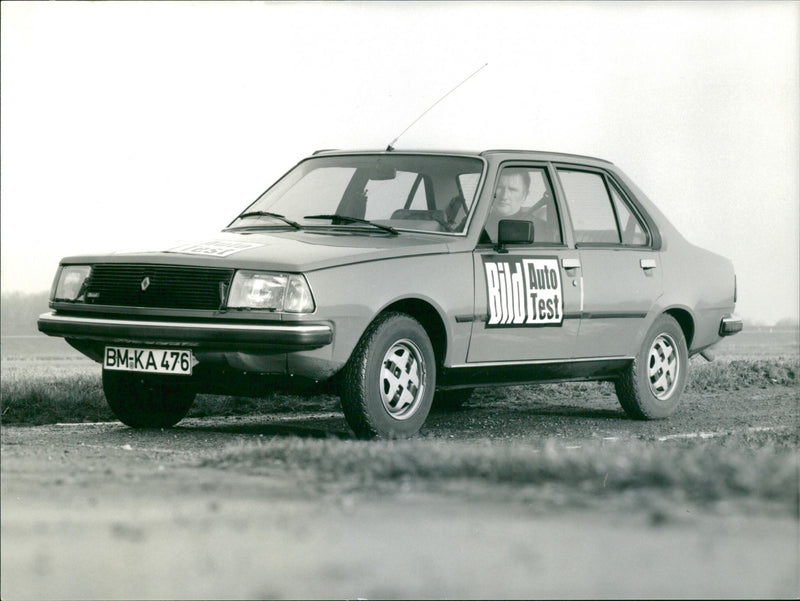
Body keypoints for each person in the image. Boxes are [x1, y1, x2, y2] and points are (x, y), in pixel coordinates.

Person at [484, 168, 560, 243]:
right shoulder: (477, 223)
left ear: (525, 195)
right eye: (499, 188)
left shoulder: (540, 229)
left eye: (512, 190)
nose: (504, 196)